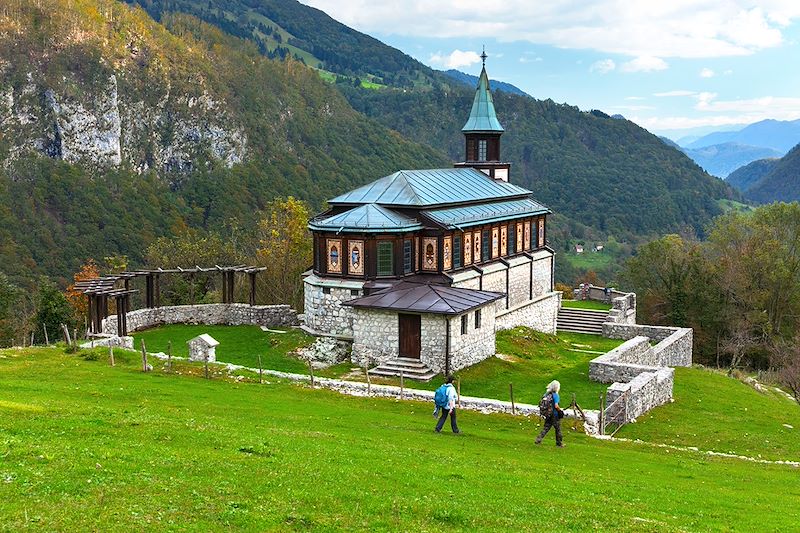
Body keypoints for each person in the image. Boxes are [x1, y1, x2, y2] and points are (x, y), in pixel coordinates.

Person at [535, 380, 565, 447]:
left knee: (546, 427)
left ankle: (538, 439)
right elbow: (556, 405)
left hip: (548, 414)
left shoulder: (546, 394)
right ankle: (559, 443)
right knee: (558, 429)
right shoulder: (556, 395)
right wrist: (560, 411)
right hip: (554, 415)